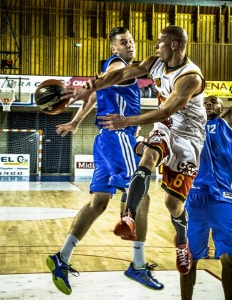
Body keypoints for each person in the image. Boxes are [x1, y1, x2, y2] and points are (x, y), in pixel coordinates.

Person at [62, 25, 207, 275]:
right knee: (147, 157)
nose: (154, 45)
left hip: (188, 138)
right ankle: (128, 216)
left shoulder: (190, 77)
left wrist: (126, 121)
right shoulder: (153, 62)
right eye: (125, 42)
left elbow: (165, 110)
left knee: (174, 204)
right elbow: (118, 76)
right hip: (163, 128)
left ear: (174, 45)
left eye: (160, 41)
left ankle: (182, 242)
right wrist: (89, 87)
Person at [46, 26, 164, 296]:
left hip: (104, 141)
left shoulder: (110, 71)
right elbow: (112, 77)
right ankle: (137, 263)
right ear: (114, 48)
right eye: (124, 42)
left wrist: (76, 122)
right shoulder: (118, 65)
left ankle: (61, 258)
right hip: (118, 136)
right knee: (142, 195)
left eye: (132, 41)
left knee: (98, 202)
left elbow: (95, 94)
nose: (130, 45)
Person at [180, 58, 232, 300]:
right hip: (195, 198)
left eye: (215, 102)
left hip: (224, 199)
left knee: (228, 257)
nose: (210, 103)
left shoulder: (228, 125)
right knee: (189, 256)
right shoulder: (192, 126)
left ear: (222, 109)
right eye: (206, 102)